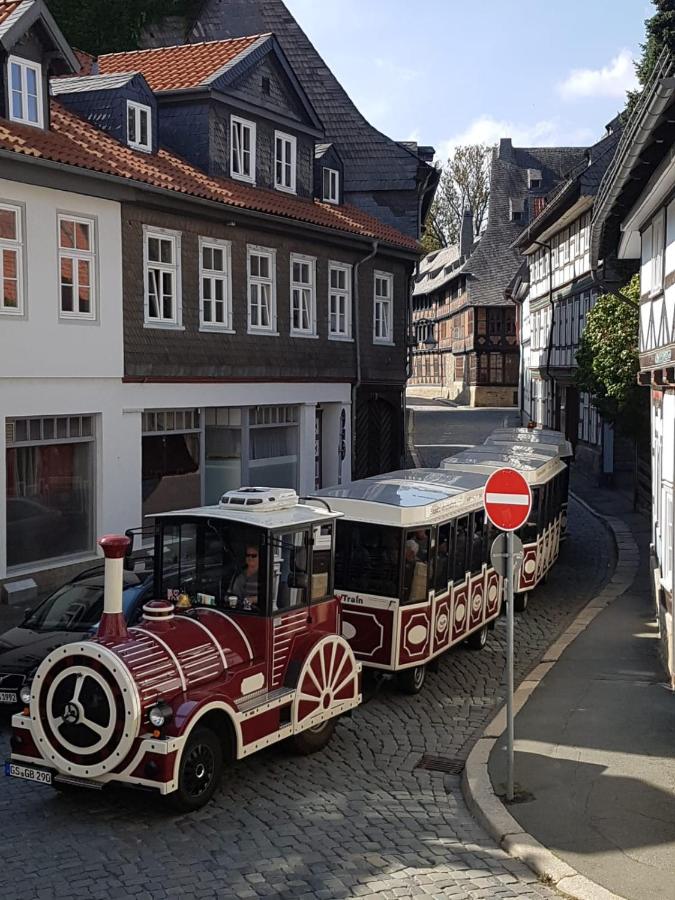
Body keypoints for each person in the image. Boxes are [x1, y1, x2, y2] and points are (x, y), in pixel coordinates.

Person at [228, 545, 260, 610]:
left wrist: (253, 599)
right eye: (248, 555)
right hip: (240, 609)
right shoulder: (239, 574)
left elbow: (270, 597)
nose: (250, 558)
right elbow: (232, 593)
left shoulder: (265, 574)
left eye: (253, 555)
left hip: (258, 611)